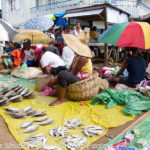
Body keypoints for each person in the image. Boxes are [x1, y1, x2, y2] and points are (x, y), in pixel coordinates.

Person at [48, 31, 93, 106]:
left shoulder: (83, 58)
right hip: (77, 76)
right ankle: (57, 92)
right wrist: (56, 78)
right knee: (61, 72)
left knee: (62, 74)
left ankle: (61, 99)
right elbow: (69, 70)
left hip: (83, 80)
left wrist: (58, 77)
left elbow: (73, 73)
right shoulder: (77, 56)